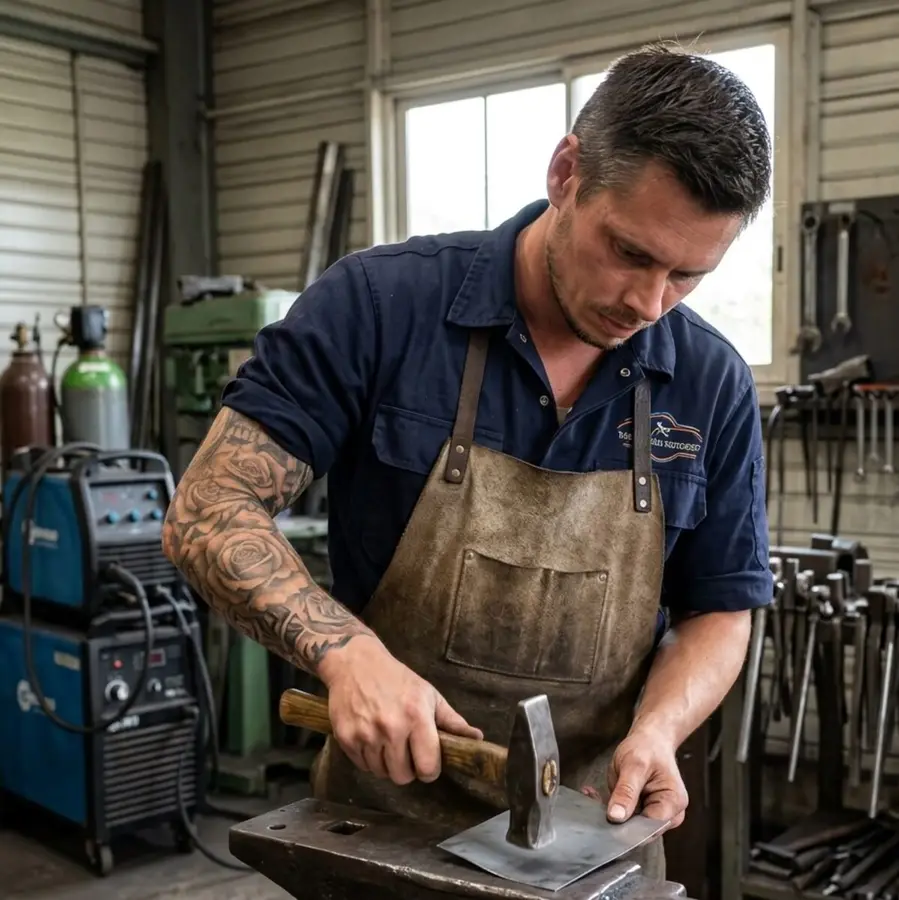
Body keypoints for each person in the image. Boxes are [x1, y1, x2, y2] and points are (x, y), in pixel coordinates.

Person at [162, 42, 773, 880]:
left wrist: (660, 730)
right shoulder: (379, 308)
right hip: (376, 833)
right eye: (630, 252)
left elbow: (720, 608)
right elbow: (208, 508)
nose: (648, 303)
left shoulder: (710, 383)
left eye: (687, 276)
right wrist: (350, 657)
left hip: (593, 839)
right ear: (566, 172)